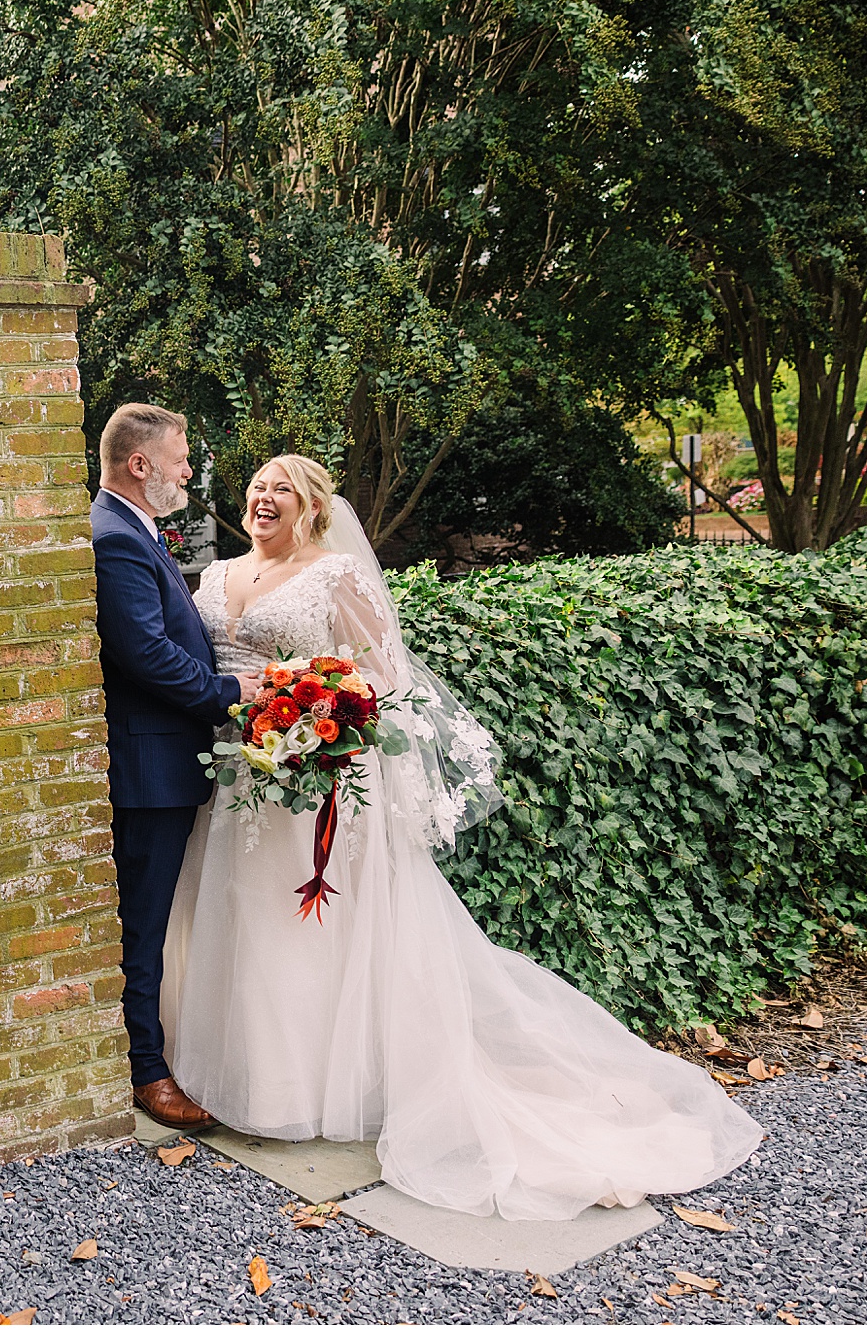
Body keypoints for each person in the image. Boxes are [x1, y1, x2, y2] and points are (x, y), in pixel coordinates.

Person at [161, 454, 762, 1220]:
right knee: (244, 916)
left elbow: (382, 677)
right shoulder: (215, 577)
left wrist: (315, 720)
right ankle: (251, 1078)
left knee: (311, 927)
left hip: (314, 783)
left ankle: (316, 1091)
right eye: (257, 486)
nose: (264, 497)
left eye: (283, 488)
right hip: (236, 778)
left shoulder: (335, 574)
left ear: (312, 508)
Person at [89, 403, 260, 1131]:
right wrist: (228, 692)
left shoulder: (135, 528)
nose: (189, 470)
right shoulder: (114, 538)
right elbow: (146, 653)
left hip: (165, 761)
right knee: (143, 925)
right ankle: (146, 1072)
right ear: (140, 464)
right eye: (181, 457)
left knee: (154, 921)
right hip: (148, 767)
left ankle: (153, 1056)